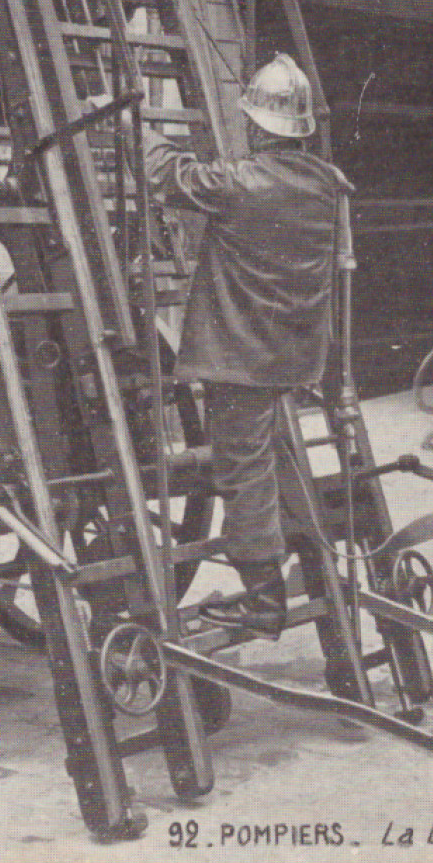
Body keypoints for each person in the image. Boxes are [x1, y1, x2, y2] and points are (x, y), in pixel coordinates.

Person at [132, 53, 353, 639]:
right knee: (273, 459)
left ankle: (263, 600)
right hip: (291, 356)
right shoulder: (326, 185)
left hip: (240, 358)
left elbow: (165, 175)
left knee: (244, 471)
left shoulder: (240, 182)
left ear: (258, 127)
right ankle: (303, 556)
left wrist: (137, 124)